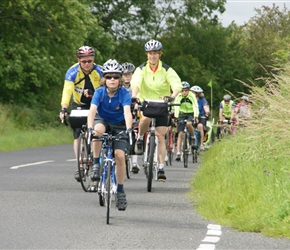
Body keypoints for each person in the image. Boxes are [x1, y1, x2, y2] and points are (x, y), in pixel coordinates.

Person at [131, 39, 182, 181]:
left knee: (160, 136)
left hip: (161, 104)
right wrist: (134, 97)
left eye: (155, 53)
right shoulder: (141, 69)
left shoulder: (166, 69)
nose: (152, 56)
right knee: (146, 118)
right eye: (150, 54)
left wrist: (172, 96)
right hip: (146, 102)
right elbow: (136, 83)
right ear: (146, 55)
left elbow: (176, 83)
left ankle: (160, 167)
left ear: (160, 54)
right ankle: (140, 138)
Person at [87, 59, 132, 211]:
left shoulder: (124, 93)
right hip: (104, 120)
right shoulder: (99, 92)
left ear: (120, 79)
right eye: (109, 77)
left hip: (119, 124)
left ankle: (120, 191)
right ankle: (95, 163)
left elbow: (127, 111)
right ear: (104, 79)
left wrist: (129, 129)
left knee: (119, 156)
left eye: (115, 77)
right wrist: (89, 127)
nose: (112, 79)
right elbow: (92, 111)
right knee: (97, 131)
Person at [59, 46, 102, 181]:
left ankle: (95, 158)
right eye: (83, 61)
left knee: (96, 131)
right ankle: (80, 165)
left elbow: (105, 90)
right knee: (77, 134)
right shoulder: (72, 72)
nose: (87, 64)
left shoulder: (100, 71)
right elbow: (67, 90)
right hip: (79, 104)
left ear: (93, 60)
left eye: (89, 61)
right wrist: (64, 108)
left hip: (96, 104)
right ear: (78, 60)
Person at [121, 62, 140, 173]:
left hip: (134, 111)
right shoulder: (119, 86)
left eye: (129, 74)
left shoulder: (136, 86)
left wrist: (137, 104)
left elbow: (140, 96)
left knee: (134, 132)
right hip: (122, 111)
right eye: (125, 74)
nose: (127, 77)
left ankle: (134, 162)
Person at [174, 82, 199, 161]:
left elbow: (195, 106)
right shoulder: (179, 96)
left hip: (190, 113)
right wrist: (176, 116)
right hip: (181, 113)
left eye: (186, 90)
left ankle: (192, 136)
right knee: (180, 133)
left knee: (188, 124)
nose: (184, 92)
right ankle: (178, 153)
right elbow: (176, 106)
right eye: (182, 90)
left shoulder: (192, 96)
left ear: (188, 90)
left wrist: (195, 116)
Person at [190, 85, 210, 150]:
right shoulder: (189, 99)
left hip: (200, 116)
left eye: (196, 93)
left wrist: (207, 112)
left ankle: (201, 144)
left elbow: (205, 106)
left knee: (200, 126)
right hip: (191, 115)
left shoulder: (202, 100)